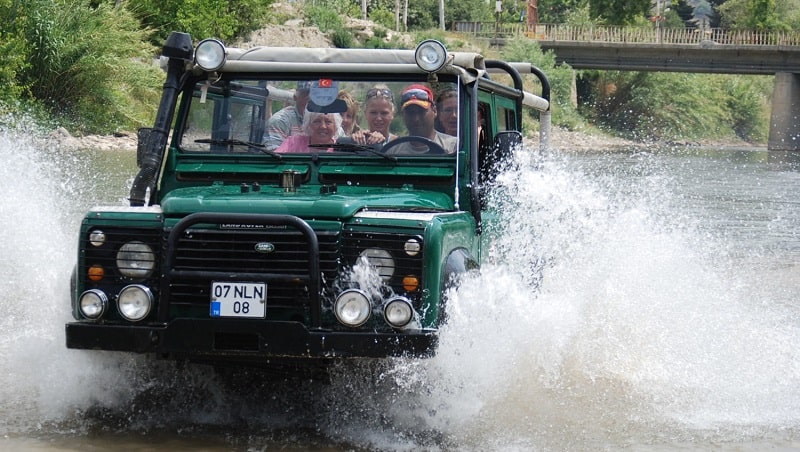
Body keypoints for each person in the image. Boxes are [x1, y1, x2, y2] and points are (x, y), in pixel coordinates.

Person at [385, 84, 457, 155]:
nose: (416, 119)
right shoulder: (393, 151)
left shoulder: (453, 147)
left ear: (434, 111)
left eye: (421, 112)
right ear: (403, 115)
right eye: (410, 113)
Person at [265, 81, 312, 150]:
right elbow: (274, 154)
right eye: (306, 94)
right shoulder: (279, 121)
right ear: (295, 97)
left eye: (316, 95)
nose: (310, 98)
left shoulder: (327, 120)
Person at [275, 110, 341, 153]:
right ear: (308, 125)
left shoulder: (341, 149)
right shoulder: (294, 142)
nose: (323, 126)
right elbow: (275, 160)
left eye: (328, 122)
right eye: (317, 121)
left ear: (335, 126)